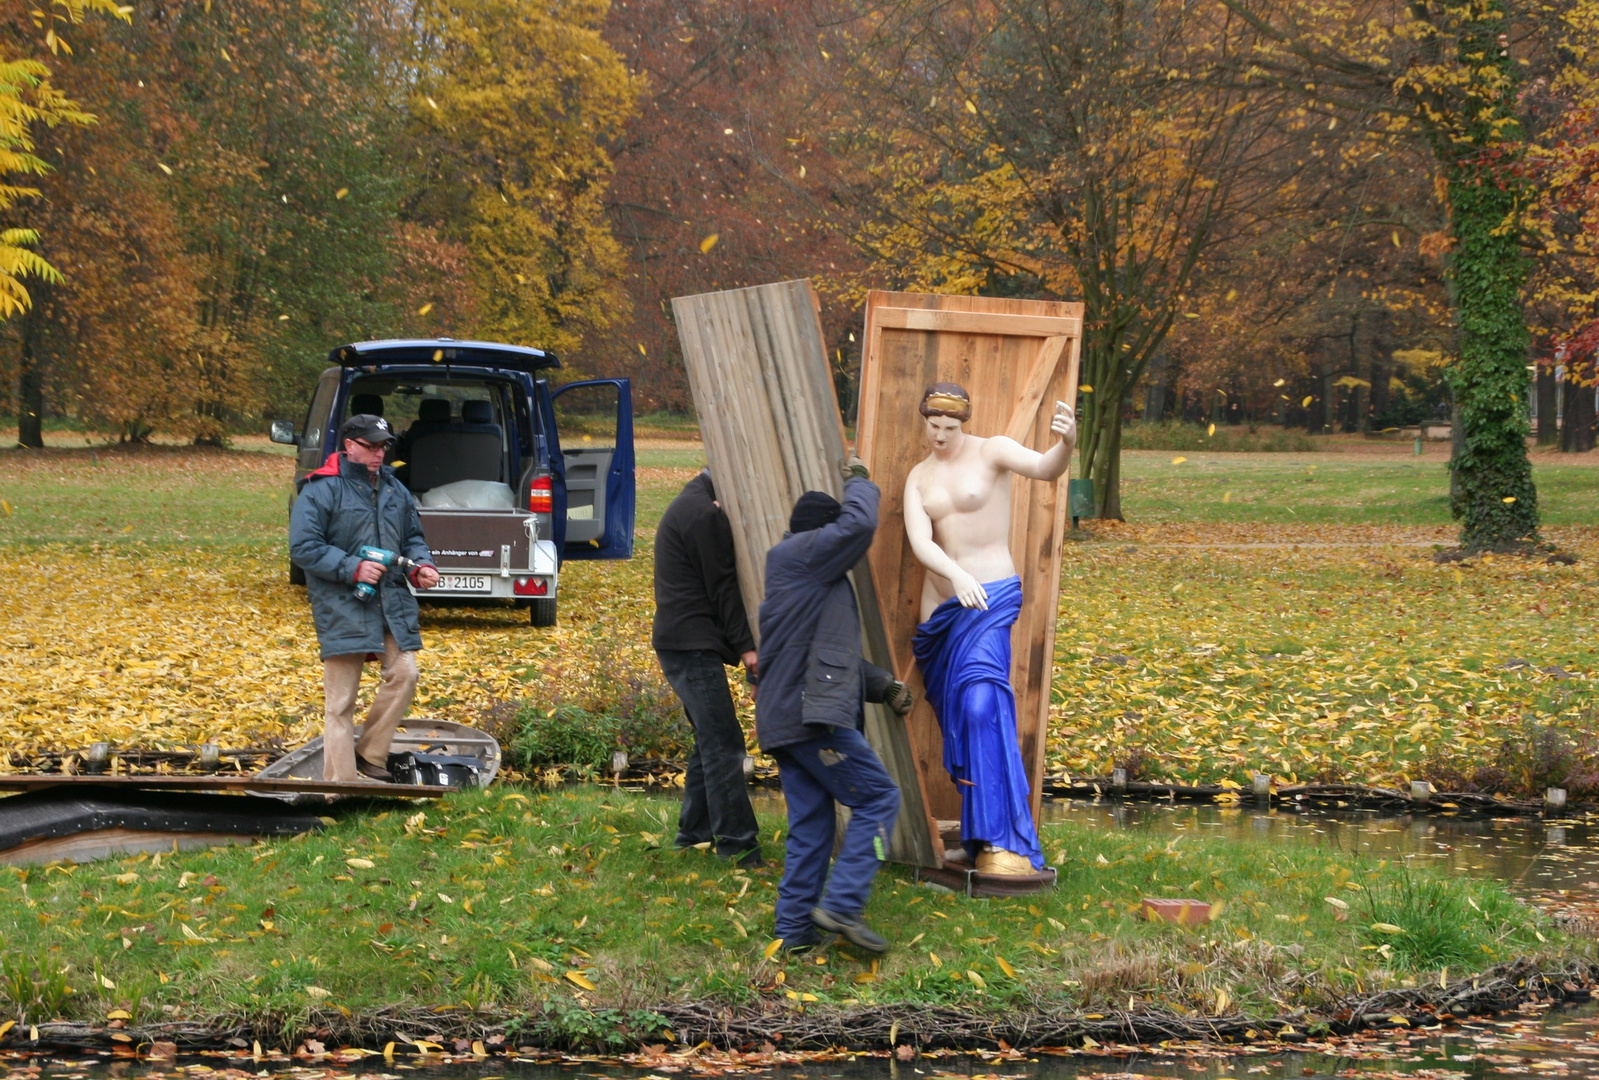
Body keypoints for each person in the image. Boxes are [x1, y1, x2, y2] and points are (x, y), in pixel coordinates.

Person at [903, 383, 1076, 875]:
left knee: (982, 708)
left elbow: (1045, 469)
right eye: (932, 427)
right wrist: (956, 576)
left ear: (965, 424)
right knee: (960, 723)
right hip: (942, 616)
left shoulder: (992, 451)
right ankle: (978, 838)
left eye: (949, 428)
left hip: (989, 601)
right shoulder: (918, 477)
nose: (940, 436)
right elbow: (921, 542)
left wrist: (1066, 444)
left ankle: (1006, 839)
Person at [755, 459, 914, 954]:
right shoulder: (802, 556)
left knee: (812, 828)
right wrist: (859, 482)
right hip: (812, 719)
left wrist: (883, 685)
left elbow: (824, 653)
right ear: (821, 537)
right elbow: (860, 523)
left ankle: (794, 933)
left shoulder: (802, 577)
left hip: (788, 719)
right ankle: (843, 904)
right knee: (879, 799)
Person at [290, 414, 441, 783]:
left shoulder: (394, 489)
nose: (379, 454)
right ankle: (339, 789)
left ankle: (369, 754)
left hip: (391, 602)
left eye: (383, 446)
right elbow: (303, 548)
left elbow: (412, 539)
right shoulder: (320, 489)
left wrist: (420, 565)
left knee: (405, 672)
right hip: (342, 606)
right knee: (340, 703)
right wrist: (352, 568)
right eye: (371, 446)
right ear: (349, 446)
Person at [653, 469, 762, 865]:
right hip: (690, 646)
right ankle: (738, 846)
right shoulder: (703, 515)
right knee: (725, 744)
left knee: (709, 740)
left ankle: (693, 834)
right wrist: (749, 649)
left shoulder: (691, 504)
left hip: (682, 642)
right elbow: (723, 588)